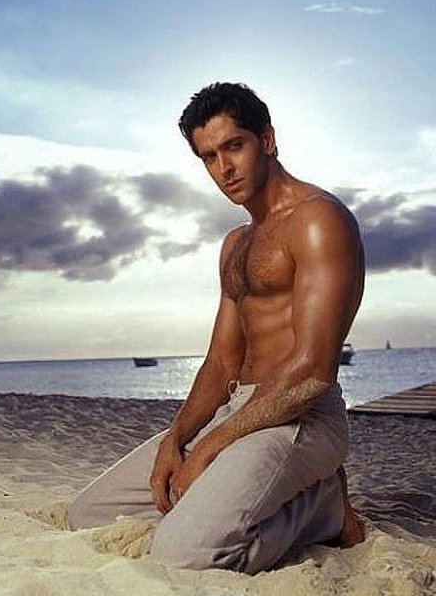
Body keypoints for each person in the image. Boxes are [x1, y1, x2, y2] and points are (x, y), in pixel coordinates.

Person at [68, 82, 365, 573]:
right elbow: (222, 362)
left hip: (302, 418)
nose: (223, 168)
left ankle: (323, 507)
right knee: (89, 516)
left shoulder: (320, 220)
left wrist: (209, 446)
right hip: (237, 412)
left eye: (234, 146)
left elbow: (313, 371)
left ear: (266, 140)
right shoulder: (236, 244)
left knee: (183, 555)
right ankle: (239, 495)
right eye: (208, 157)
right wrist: (177, 438)